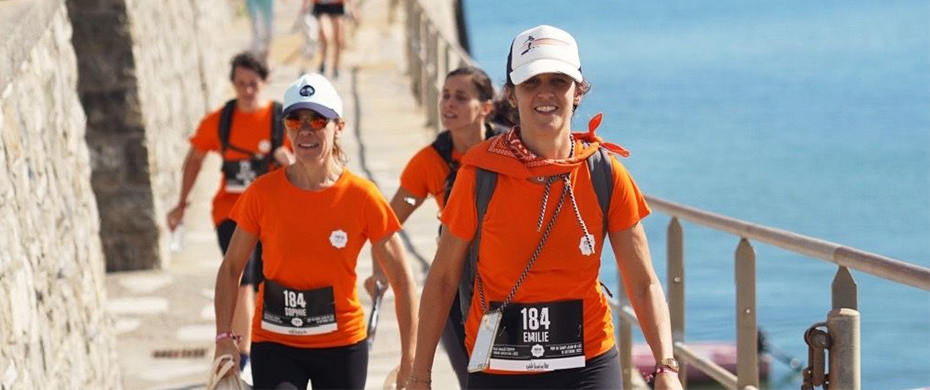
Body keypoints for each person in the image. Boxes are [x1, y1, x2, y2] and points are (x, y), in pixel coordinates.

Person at [407, 25, 684, 390]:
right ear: (511, 94)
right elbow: (442, 278)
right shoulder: (479, 175)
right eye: (531, 82)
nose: (546, 93)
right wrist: (419, 377)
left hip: (587, 364)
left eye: (558, 80)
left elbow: (643, 281)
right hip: (499, 367)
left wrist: (666, 366)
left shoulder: (604, 173)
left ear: (578, 91)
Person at [213, 73, 419, 390]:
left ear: (339, 127)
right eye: (296, 120)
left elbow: (404, 281)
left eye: (318, 120)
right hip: (276, 342)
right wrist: (224, 336)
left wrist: (410, 360)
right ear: (286, 128)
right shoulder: (262, 193)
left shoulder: (362, 196)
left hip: (341, 346)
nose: (306, 130)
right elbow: (230, 268)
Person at [364, 66, 503, 388]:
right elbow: (389, 221)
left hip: (505, 283)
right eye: (445, 96)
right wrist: (379, 270)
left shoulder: (509, 150)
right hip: (454, 284)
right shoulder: (431, 162)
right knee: (471, 379)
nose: (448, 105)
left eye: (460, 97)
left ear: (485, 108)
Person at [167, 52, 293, 372]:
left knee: (268, 283)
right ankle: (245, 356)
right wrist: (181, 204)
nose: (247, 92)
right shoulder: (221, 120)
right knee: (242, 279)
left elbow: (306, 170)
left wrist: (285, 161)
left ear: (264, 82)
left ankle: (266, 347)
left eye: (253, 84)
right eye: (240, 85)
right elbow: (194, 158)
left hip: (274, 216)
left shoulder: (282, 122)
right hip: (231, 213)